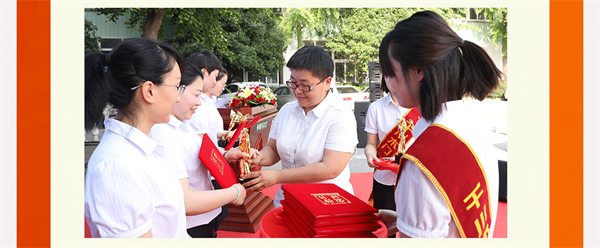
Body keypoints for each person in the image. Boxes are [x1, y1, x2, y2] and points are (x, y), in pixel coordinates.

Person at [376, 10, 501, 238]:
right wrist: (406, 222)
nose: (387, 84)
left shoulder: (422, 160)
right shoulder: (474, 130)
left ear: (419, 71)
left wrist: (410, 228)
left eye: (390, 73)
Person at [84, 38, 189, 238]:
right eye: (177, 86)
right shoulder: (118, 166)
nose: (178, 97)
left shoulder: (147, 146)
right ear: (149, 90)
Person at [242, 45, 358, 208]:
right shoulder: (287, 111)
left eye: (305, 85)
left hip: (325, 203)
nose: (298, 91)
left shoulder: (340, 116)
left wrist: (277, 177)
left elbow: (330, 168)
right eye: (293, 83)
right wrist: (259, 158)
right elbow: (273, 149)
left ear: (327, 82)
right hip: (286, 201)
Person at [151, 63, 250, 238]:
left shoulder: (183, 124)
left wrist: (227, 155)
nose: (199, 102)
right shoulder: (163, 133)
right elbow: (184, 200)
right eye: (196, 95)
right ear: (176, 91)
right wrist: (234, 193)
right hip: (190, 225)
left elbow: (201, 153)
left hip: (205, 217)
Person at [363, 78, 420, 238]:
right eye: (389, 76)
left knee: (414, 229)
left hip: (414, 178)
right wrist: (370, 154)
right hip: (385, 178)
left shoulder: (420, 108)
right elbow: (371, 143)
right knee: (385, 228)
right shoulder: (376, 108)